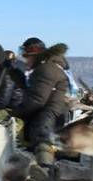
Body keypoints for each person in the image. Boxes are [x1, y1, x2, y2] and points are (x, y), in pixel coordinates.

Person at [11, 37, 70, 168]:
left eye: (27, 57)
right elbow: (33, 90)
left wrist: (14, 112)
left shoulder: (46, 69)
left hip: (49, 112)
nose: (26, 60)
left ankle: (45, 171)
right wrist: (14, 73)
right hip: (49, 109)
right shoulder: (44, 68)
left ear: (35, 56)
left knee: (41, 137)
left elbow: (37, 100)